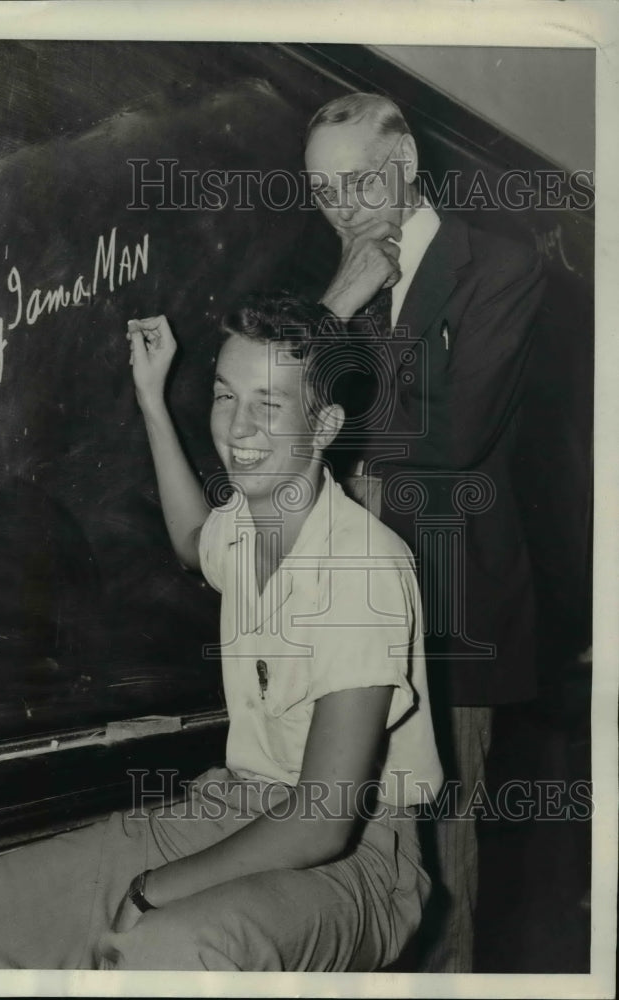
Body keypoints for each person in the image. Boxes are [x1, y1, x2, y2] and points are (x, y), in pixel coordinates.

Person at [0, 293, 443, 971]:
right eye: (223, 395)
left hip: (358, 855)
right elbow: (191, 540)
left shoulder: (362, 567)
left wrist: (153, 890)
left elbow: (324, 821)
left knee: (167, 949)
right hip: (232, 806)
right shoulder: (250, 519)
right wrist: (153, 399)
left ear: (325, 424)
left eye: (267, 406)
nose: (237, 429)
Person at [303, 92, 547, 972]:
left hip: (451, 613)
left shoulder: (500, 265)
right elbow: (275, 420)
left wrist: (353, 457)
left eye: (356, 182)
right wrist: (336, 308)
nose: (339, 207)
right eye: (321, 191)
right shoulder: (340, 280)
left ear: (403, 165)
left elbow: (454, 433)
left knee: (441, 866)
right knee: (348, 859)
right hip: (339, 616)